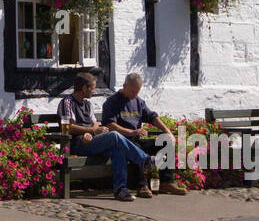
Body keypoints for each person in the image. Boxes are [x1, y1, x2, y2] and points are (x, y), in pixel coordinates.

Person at [59, 72, 150, 202]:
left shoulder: (87, 104)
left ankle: (121, 190)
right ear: (84, 88)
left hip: (91, 141)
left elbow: (95, 123)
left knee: (117, 150)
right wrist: (89, 131)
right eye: (93, 87)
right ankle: (144, 160)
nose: (94, 91)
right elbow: (69, 127)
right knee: (114, 136)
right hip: (77, 143)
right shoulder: (67, 102)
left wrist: (92, 131)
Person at [101, 72, 188, 197]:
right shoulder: (111, 102)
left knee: (166, 142)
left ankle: (167, 182)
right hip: (123, 141)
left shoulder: (138, 101)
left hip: (138, 138)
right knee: (137, 147)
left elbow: (152, 117)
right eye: (132, 91)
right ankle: (142, 185)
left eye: (137, 91)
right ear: (124, 86)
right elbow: (110, 125)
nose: (135, 94)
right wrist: (132, 132)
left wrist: (168, 132)